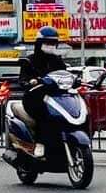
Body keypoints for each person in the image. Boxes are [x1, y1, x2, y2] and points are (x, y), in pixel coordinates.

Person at [17, 24, 68, 160]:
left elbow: (65, 74)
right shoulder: (29, 61)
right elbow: (22, 80)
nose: (50, 46)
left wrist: (75, 79)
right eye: (47, 43)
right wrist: (31, 82)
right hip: (34, 98)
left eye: (53, 43)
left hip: (55, 97)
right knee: (45, 114)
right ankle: (40, 143)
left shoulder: (58, 61)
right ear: (39, 43)